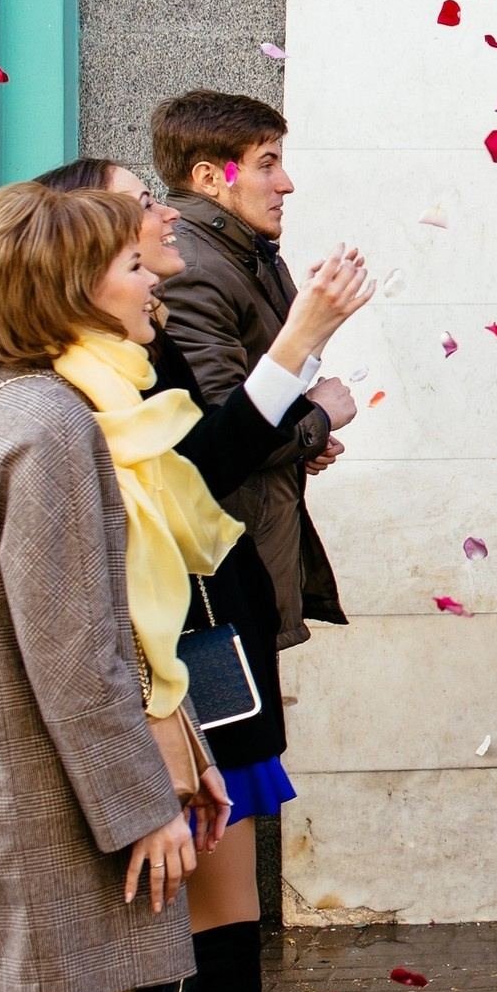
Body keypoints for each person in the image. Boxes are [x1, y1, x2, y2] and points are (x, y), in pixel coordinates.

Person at [36, 158, 372, 992]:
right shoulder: (69, 394)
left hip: (213, 635)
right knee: (200, 910)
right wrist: (301, 346)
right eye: (143, 205)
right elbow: (205, 460)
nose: (163, 217)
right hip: (178, 655)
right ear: (87, 246)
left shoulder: (137, 340)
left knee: (219, 901)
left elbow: (199, 455)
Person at [0, 183, 228, 992]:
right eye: (130, 267)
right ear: (72, 292)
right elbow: (75, 651)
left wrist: (183, 753)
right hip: (51, 801)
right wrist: (139, 809)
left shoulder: (44, 407)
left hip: (51, 787)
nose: (151, 284)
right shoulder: (50, 422)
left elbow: (110, 631)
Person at [149, 92, 351, 655]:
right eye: (267, 164)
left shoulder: (245, 251)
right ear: (212, 177)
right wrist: (316, 420)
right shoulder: (192, 268)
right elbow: (224, 429)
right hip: (226, 560)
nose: (285, 183)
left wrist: (303, 431)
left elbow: (264, 393)